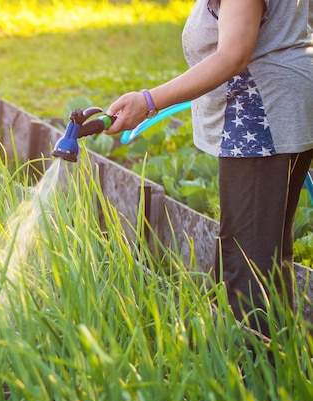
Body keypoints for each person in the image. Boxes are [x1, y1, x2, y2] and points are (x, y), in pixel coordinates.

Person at [102, 0, 313, 337]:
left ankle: (253, 377)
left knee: (249, 263)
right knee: (266, 254)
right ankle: (277, 368)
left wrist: (149, 101)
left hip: (258, 118)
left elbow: (232, 55)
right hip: (278, 111)